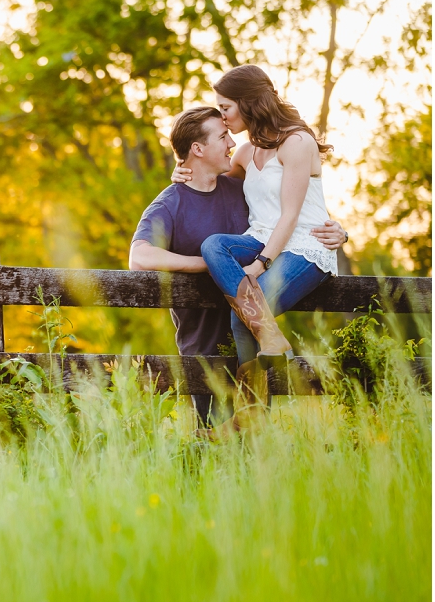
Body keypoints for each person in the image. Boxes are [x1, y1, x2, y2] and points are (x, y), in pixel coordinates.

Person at [130, 105, 346, 428]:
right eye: (222, 137)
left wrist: (338, 231)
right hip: (204, 347)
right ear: (198, 149)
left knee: (254, 444)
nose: (231, 142)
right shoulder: (170, 203)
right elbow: (140, 257)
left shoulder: (241, 190)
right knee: (213, 447)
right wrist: (206, 264)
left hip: (252, 343)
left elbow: (291, 217)